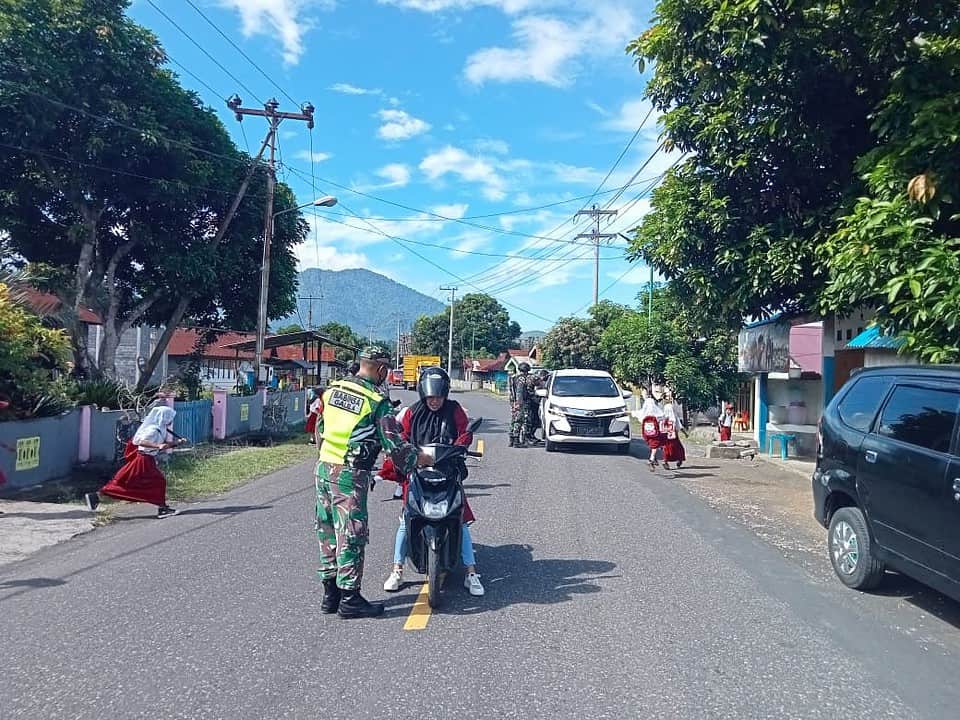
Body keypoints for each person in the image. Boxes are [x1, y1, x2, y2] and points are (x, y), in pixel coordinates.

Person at [314, 345, 432, 619]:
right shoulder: (375, 400)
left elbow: (319, 430)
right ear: (380, 369)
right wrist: (422, 459)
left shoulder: (333, 390)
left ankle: (329, 595)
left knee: (327, 531)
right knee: (351, 535)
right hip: (350, 474)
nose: (387, 376)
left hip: (322, 469)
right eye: (386, 371)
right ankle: (350, 599)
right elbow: (395, 447)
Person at [380, 366, 484, 597]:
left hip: (448, 469)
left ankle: (471, 573)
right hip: (418, 471)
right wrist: (406, 454)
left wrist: (460, 447)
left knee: (461, 519)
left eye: (438, 397)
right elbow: (402, 437)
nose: (434, 401)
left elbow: (465, 432)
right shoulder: (412, 412)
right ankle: (397, 570)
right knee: (406, 518)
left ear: (445, 394)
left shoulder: (455, 410)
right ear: (422, 394)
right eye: (430, 397)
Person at [84, 406, 182, 519]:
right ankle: (163, 508)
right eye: (170, 417)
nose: (171, 420)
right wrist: (157, 445)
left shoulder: (160, 428)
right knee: (157, 482)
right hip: (143, 460)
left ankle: (96, 496)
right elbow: (141, 441)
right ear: (164, 417)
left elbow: (163, 443)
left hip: (146, 459)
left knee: (131, 482)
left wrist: (176, 443)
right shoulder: (153, 430)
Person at [509, 362, 535, 447]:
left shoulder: (512, 377)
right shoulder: (521, 379)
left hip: (512, 401)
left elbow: (511, 391)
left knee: (513, 419)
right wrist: (519, 403)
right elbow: (519, 392)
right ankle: (516, 441)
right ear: (526, 371)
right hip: (519, 402)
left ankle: (511, 439)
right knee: (519, 420)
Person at [639, 394, 666, 470]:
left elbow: (638, 415)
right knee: (655, 447)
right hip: (655, 434)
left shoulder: (644, 414)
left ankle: (654, 459)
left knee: (652, 446)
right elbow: (662, 417)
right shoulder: (657, 413)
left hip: (646, 434)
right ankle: (651, 459)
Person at [661, 394, 688, 470]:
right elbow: (679, 425)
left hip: (666, 434)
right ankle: (679, 460)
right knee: (678, 448)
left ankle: (665, 461)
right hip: (673, 435)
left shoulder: (664, 417)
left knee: (667, 447)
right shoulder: (674, 417)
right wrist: (685, 433)